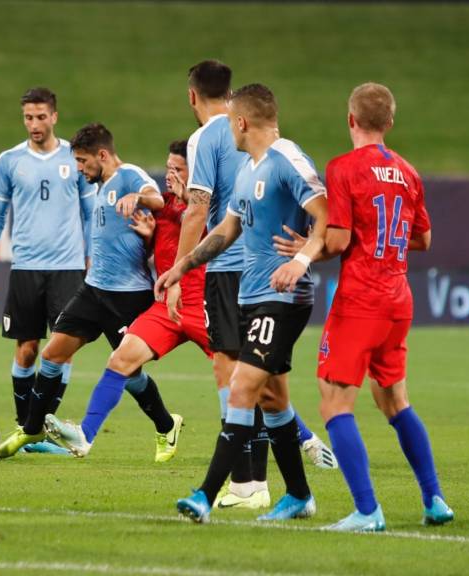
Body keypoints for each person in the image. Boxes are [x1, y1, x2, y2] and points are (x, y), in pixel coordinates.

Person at [276, 83, 453, 531]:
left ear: (350, 120)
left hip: (361, 300)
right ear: (389, 123)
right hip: (398, 299)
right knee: (394, 399)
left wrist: (306, 252)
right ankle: (434, 500)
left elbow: (337, 240)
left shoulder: (343, 168)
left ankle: (368, 510)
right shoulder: (408, 172)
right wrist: (379, 240)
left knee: (334, 402)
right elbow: (423, 238)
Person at [159, 84, 328, 524]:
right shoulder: (248, 169)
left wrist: (302, 259)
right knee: (272, 400)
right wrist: (181, 267)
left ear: (241, 122)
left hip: (282, 296)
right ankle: (299, 495)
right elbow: (226, 230)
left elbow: (327, 215)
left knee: (241, 387)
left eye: (230, 120)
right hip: (251, 295)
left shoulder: (287, 158)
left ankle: (205, 495)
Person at [0, 123, 176, 458]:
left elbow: (157, 199)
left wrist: (138, 197)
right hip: (93, 291)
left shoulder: (129, 175)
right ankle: (30, 429)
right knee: (52, 355)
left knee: (130, 373)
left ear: (102, 155)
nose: (79, 168)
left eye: (82, 160)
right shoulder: (99, 185)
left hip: (128, 295)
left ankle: (166, 425)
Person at [44, 139, 201, 462]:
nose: (170, 174)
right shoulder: (164, 207)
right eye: (168, 167)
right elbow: (157, 252)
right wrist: (149, 237)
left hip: (204, 305)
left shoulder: (210, 206)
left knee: (247, 377)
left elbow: (218, 237)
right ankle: (85, 436)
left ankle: (301, 437)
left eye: (178, 169)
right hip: (166, 306)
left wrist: (189, 201)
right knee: (120, 361)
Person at [0, 88, 95, 454]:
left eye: (41, 117)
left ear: (54, 117)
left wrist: (91, 259)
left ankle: (39, 426)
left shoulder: (73, 158)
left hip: (68, 268)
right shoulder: (10, 160)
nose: (34, 124)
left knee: (63, 350)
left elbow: (89, 214)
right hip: (26, 267)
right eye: (28, 117)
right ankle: (24, 426)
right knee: (27, 349)